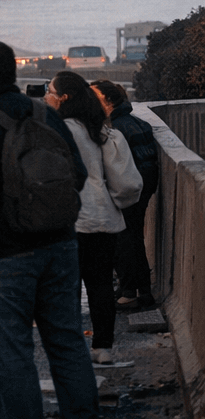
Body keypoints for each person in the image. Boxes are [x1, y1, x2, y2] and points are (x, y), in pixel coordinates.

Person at [0, 40, 96, 419]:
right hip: (60, 247)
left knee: (12, 357)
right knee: (67, 346)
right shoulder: (46, 115)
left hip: (1, 257)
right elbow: (76, 174)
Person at [46, 72, 142, 365]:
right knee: (100, 285)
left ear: (63, 98)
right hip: (103, 218)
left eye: (50, 91)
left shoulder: (58, 131)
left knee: (69, 289)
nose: (45, 96)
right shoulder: (100, 129)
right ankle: (103, 348)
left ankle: (72, 348)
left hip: (71, 221)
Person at [92, 79, 160, 311]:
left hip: (128, 191)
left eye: (95, 97)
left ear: (108, 101)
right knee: (134, 239)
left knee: (124, 241)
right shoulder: (139, 123)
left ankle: (130, 292)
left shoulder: (115, 129)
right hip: (144, 188)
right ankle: (141, 291)